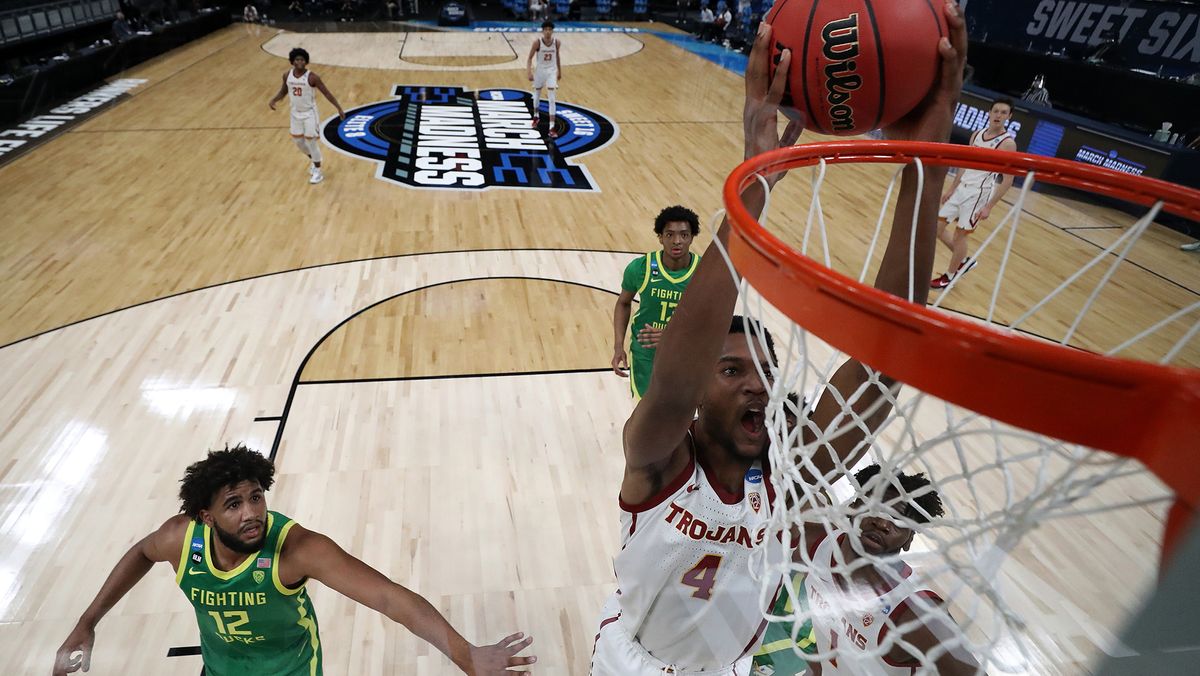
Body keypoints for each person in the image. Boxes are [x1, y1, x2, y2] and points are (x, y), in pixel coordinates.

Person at [590, 3, 970, 672]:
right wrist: (755, 185)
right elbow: (674, 388)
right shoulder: (658, 463)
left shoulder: (787, 484)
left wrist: (922, 166)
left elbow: (882, 365)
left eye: (763, 369)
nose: (756, 382)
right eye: (730, 368)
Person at [52, 445, 536, 675]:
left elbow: (390, 597)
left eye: (256, 497)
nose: (252, 514)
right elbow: (140, 553)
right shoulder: (181, 541)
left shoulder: (296, 549)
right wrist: (87, 621)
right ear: (205, 515)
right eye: (234, 504)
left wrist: (463, 653)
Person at [799, 464, 982, 674]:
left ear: (908, 541)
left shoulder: (917, 613)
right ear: (855, 505)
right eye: (876, 508)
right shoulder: (817, 544)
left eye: (898, 521)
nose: (882, 524)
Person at [611, 205, 702, 399]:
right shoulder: (640, 268)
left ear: (692, 237)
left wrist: (672, 337)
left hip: (686, 355)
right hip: (646, 356)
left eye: (684, 235)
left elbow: (712, 321)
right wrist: (618, 344)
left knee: (679, 416)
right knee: (645, 416)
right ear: (660, 237)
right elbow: (623, 303)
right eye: (669, 235)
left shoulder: (704, 272)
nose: (677, 241)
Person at [932, 97, 1017, 289]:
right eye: (996, 111)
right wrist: (952, 188)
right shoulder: (977, 134)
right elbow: (965, 164)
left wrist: (989, 206)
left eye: (1004, 113)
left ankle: (950, 275)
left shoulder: (1007, 144)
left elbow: (1008, 180)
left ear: (1009, 117)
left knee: (959, 236)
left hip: (979, 194)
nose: (998, 115)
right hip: (962, 188)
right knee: (936, 228)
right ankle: (963, 262)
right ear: (989, 113)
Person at [268, 48, 346, 185]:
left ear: (306, 61)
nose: (300, 62)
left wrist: (338, 108)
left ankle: (318, 171)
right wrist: (274, 99)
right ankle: (314, 159)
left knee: (311, 142)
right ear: (292, 61)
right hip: (295, 113)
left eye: (302, 59)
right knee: (298, 142)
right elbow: (284, 90)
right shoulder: (287, 75)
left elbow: (327, 93)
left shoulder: (312, 77)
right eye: (297, 59)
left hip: (309, 113)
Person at [526, 21, 562, 139]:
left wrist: (559, 71)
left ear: (552, 31)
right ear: (542, 31)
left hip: (551, 71)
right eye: (545, 29)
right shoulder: (537, 42)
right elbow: (529, 58)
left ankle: (551, 127)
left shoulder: (557, 42)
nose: (547, 31)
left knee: (552, 99)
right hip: (540, 71)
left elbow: (557, 57)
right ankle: (536, 116)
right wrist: (529, 72)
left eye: (549, 29)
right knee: (536, 95)